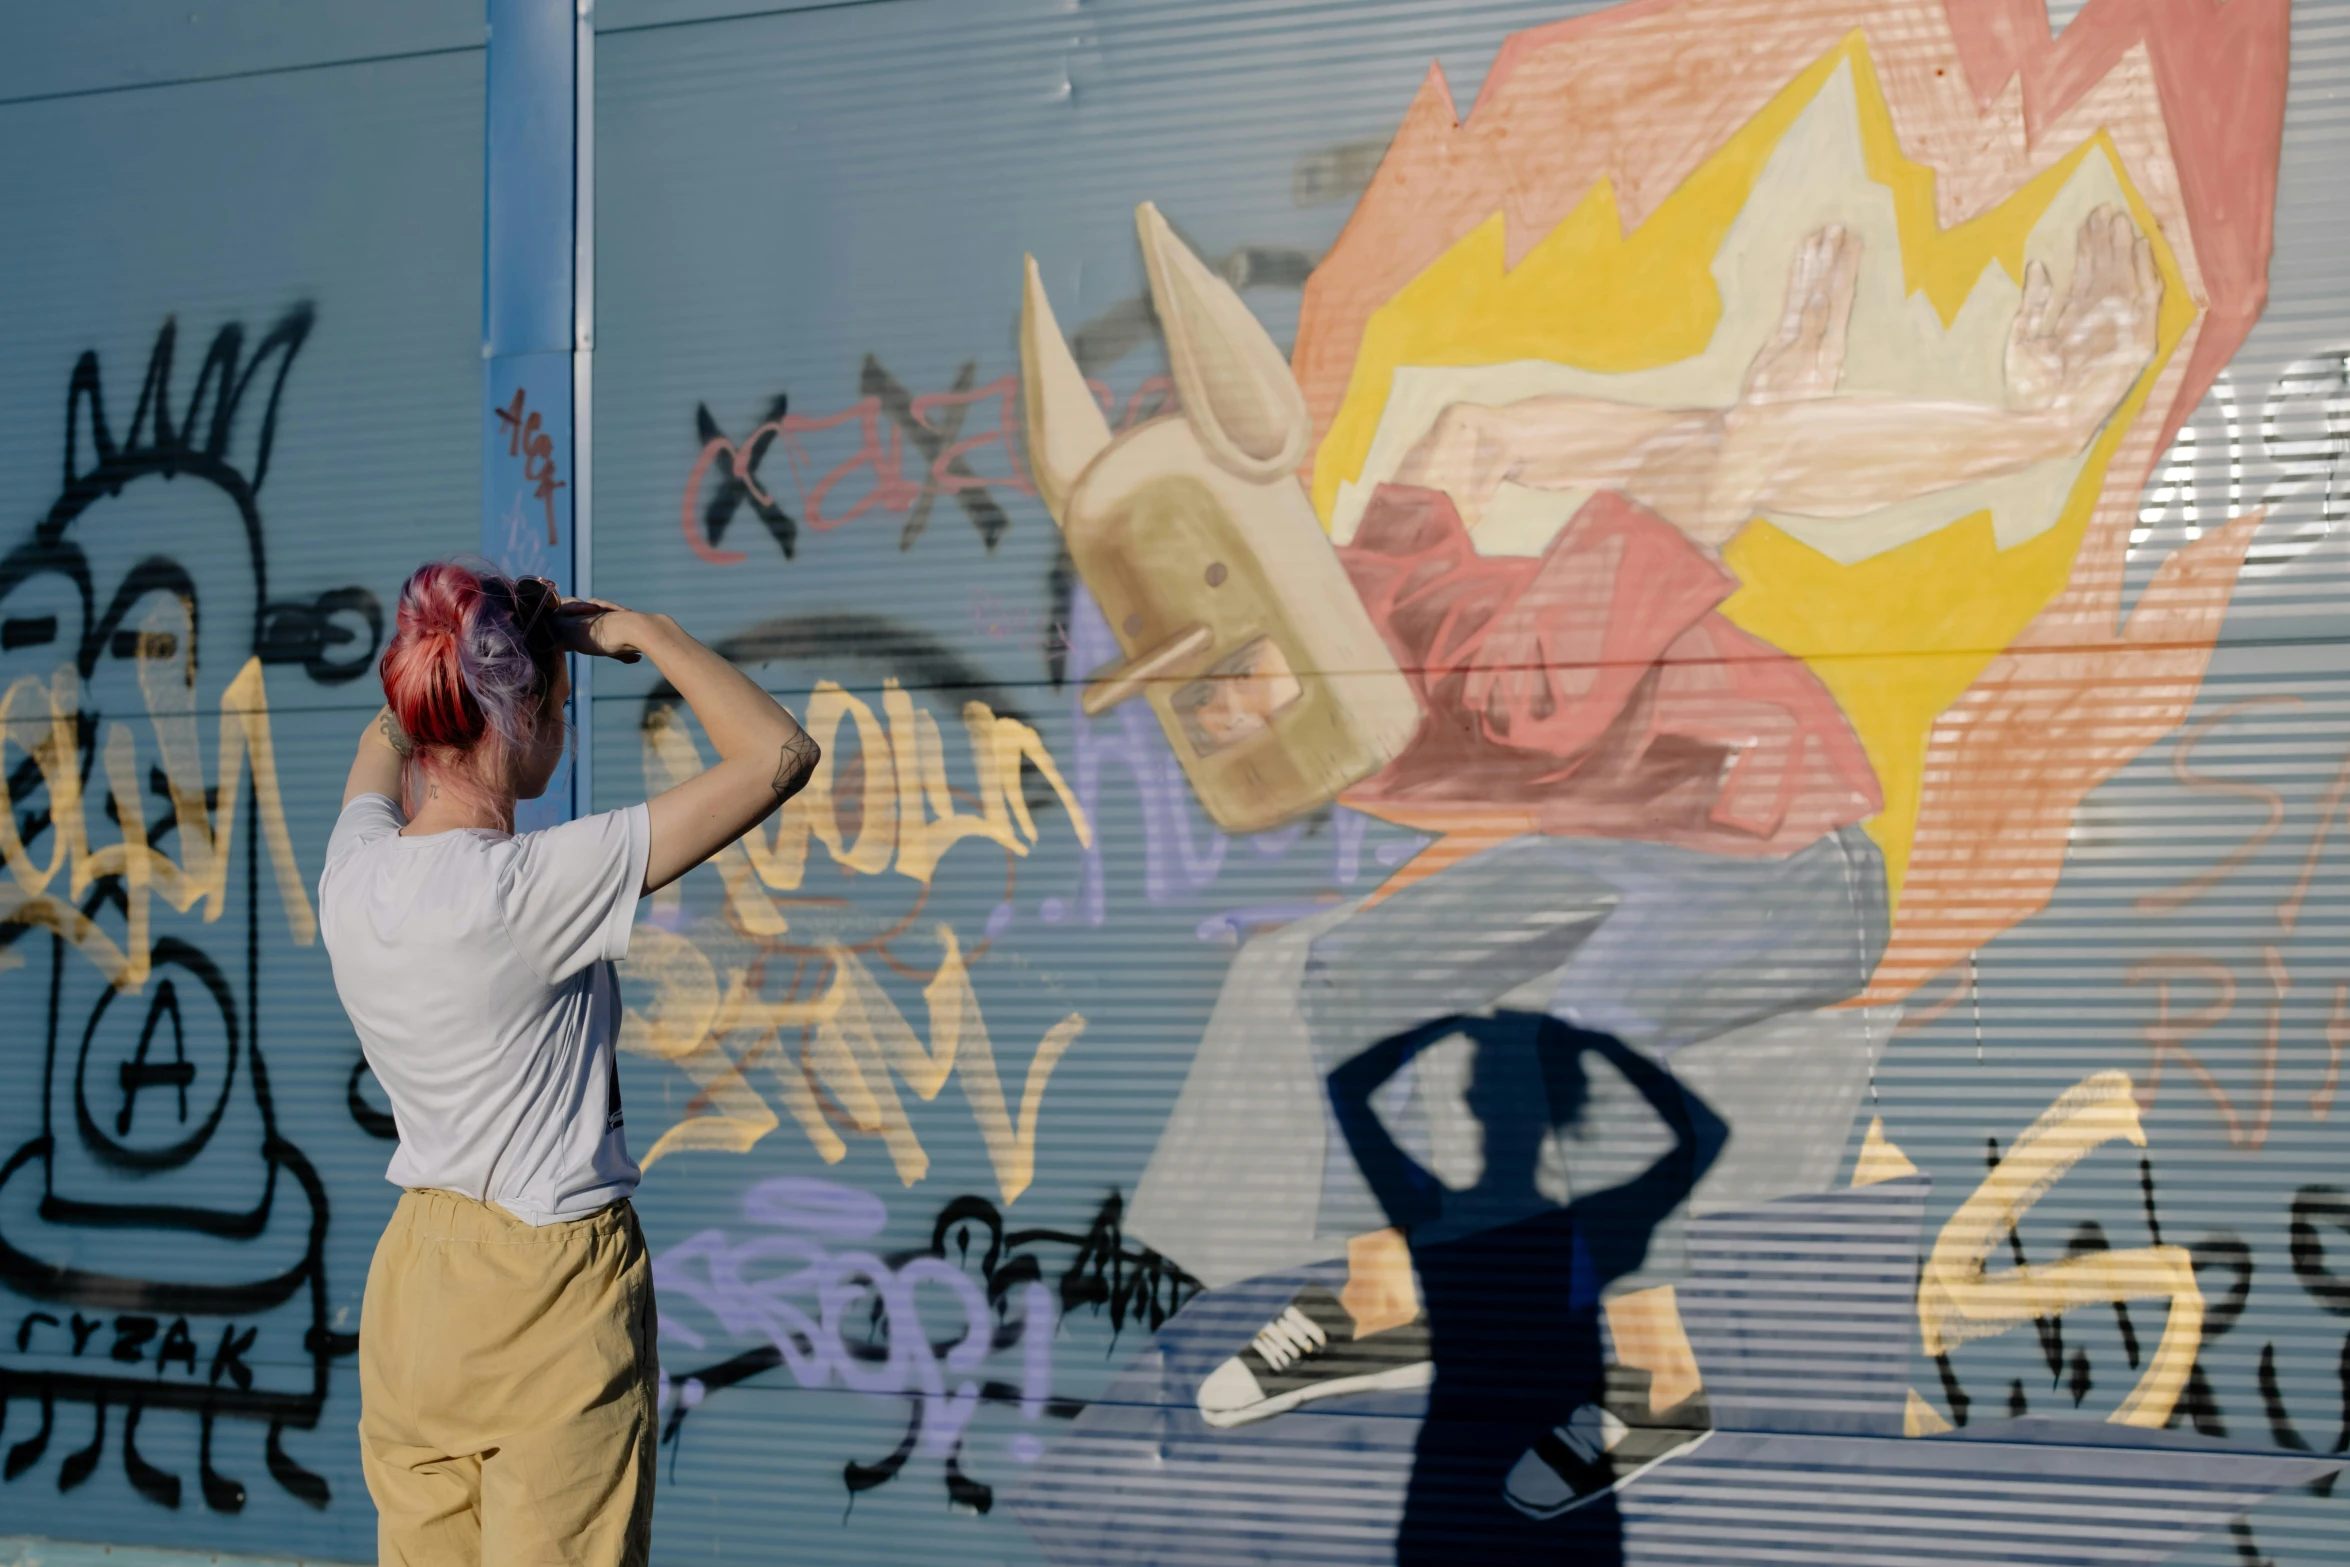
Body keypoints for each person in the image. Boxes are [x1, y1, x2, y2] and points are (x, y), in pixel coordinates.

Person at [318, 563, 819, 1566]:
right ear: (527, 714)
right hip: (545, 1284)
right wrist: (649, 631)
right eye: (562, 703)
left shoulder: (354, 868)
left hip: (415, 1282)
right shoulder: (529, 888)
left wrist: (467, 636)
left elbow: (382, 743)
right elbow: (780, 752)